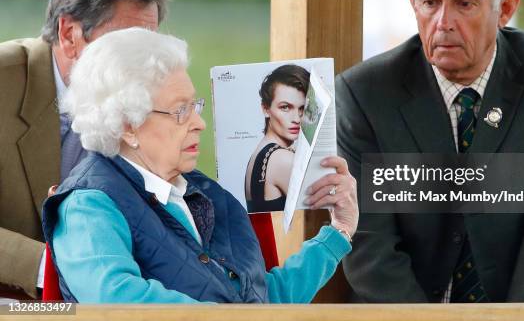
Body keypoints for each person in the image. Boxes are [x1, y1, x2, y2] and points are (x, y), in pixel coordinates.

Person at [337, 0, 524, 303]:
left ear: (505, 8)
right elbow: (369, 242)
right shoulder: (365, 94)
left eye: (464, 3)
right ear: (413, 2)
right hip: (405, 310)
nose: (443, 22)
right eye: (430, 2)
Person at [41, 27, 358, 303]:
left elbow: (260, 301)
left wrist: (337, 232)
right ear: (128, 126)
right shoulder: (87, 206)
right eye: (181, 111)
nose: (199, 123)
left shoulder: (208, 193)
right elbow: (118, 299)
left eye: (195, 106)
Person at [0, 0, 169, 299]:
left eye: (150, 45)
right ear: (69, 35)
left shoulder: (157, 98)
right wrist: (52, 264)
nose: (144, 67)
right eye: (126, 45)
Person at [244, 64, 310, 212]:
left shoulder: (260, 153)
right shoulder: (282, 159)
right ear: (266, 109)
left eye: (302, 108)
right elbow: (316, 218)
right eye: (285, 107)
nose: (296, 119)